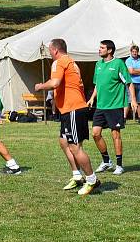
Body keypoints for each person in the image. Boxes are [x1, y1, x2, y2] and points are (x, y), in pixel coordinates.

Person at [34, 38, 100, 195]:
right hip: (70, 110)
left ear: (55, 50)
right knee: (64, 142)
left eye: (50, 51)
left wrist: (40, 86)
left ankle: (92, 180)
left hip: (73, 109)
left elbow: (55, 82)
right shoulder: (71, 61)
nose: (50, 54)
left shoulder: (59, 62)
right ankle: (77, 176)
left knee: (75, 147)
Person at [87, 40, 138, 176]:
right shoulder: (98, 64)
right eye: (100, 47)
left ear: (109, 50)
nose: (99, 49)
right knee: (95, 134)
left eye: (102, 48)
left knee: (115, 135)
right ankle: (106, 161)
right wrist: (92, 98)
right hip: (101, 106)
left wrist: (133, 100)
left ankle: (119, 165)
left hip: (115, 106)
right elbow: (98, 84)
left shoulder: (118, 64)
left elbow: (129, 83)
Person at [124, 45, 140, 124]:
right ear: (131, 52)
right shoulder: (128, 60)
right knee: (128, 101)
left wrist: (135, 70)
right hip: (131, 83)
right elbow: (130, 71)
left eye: (136, 52)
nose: (134, 53)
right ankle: (124, 119)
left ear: (138, 52)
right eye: (133, 52)